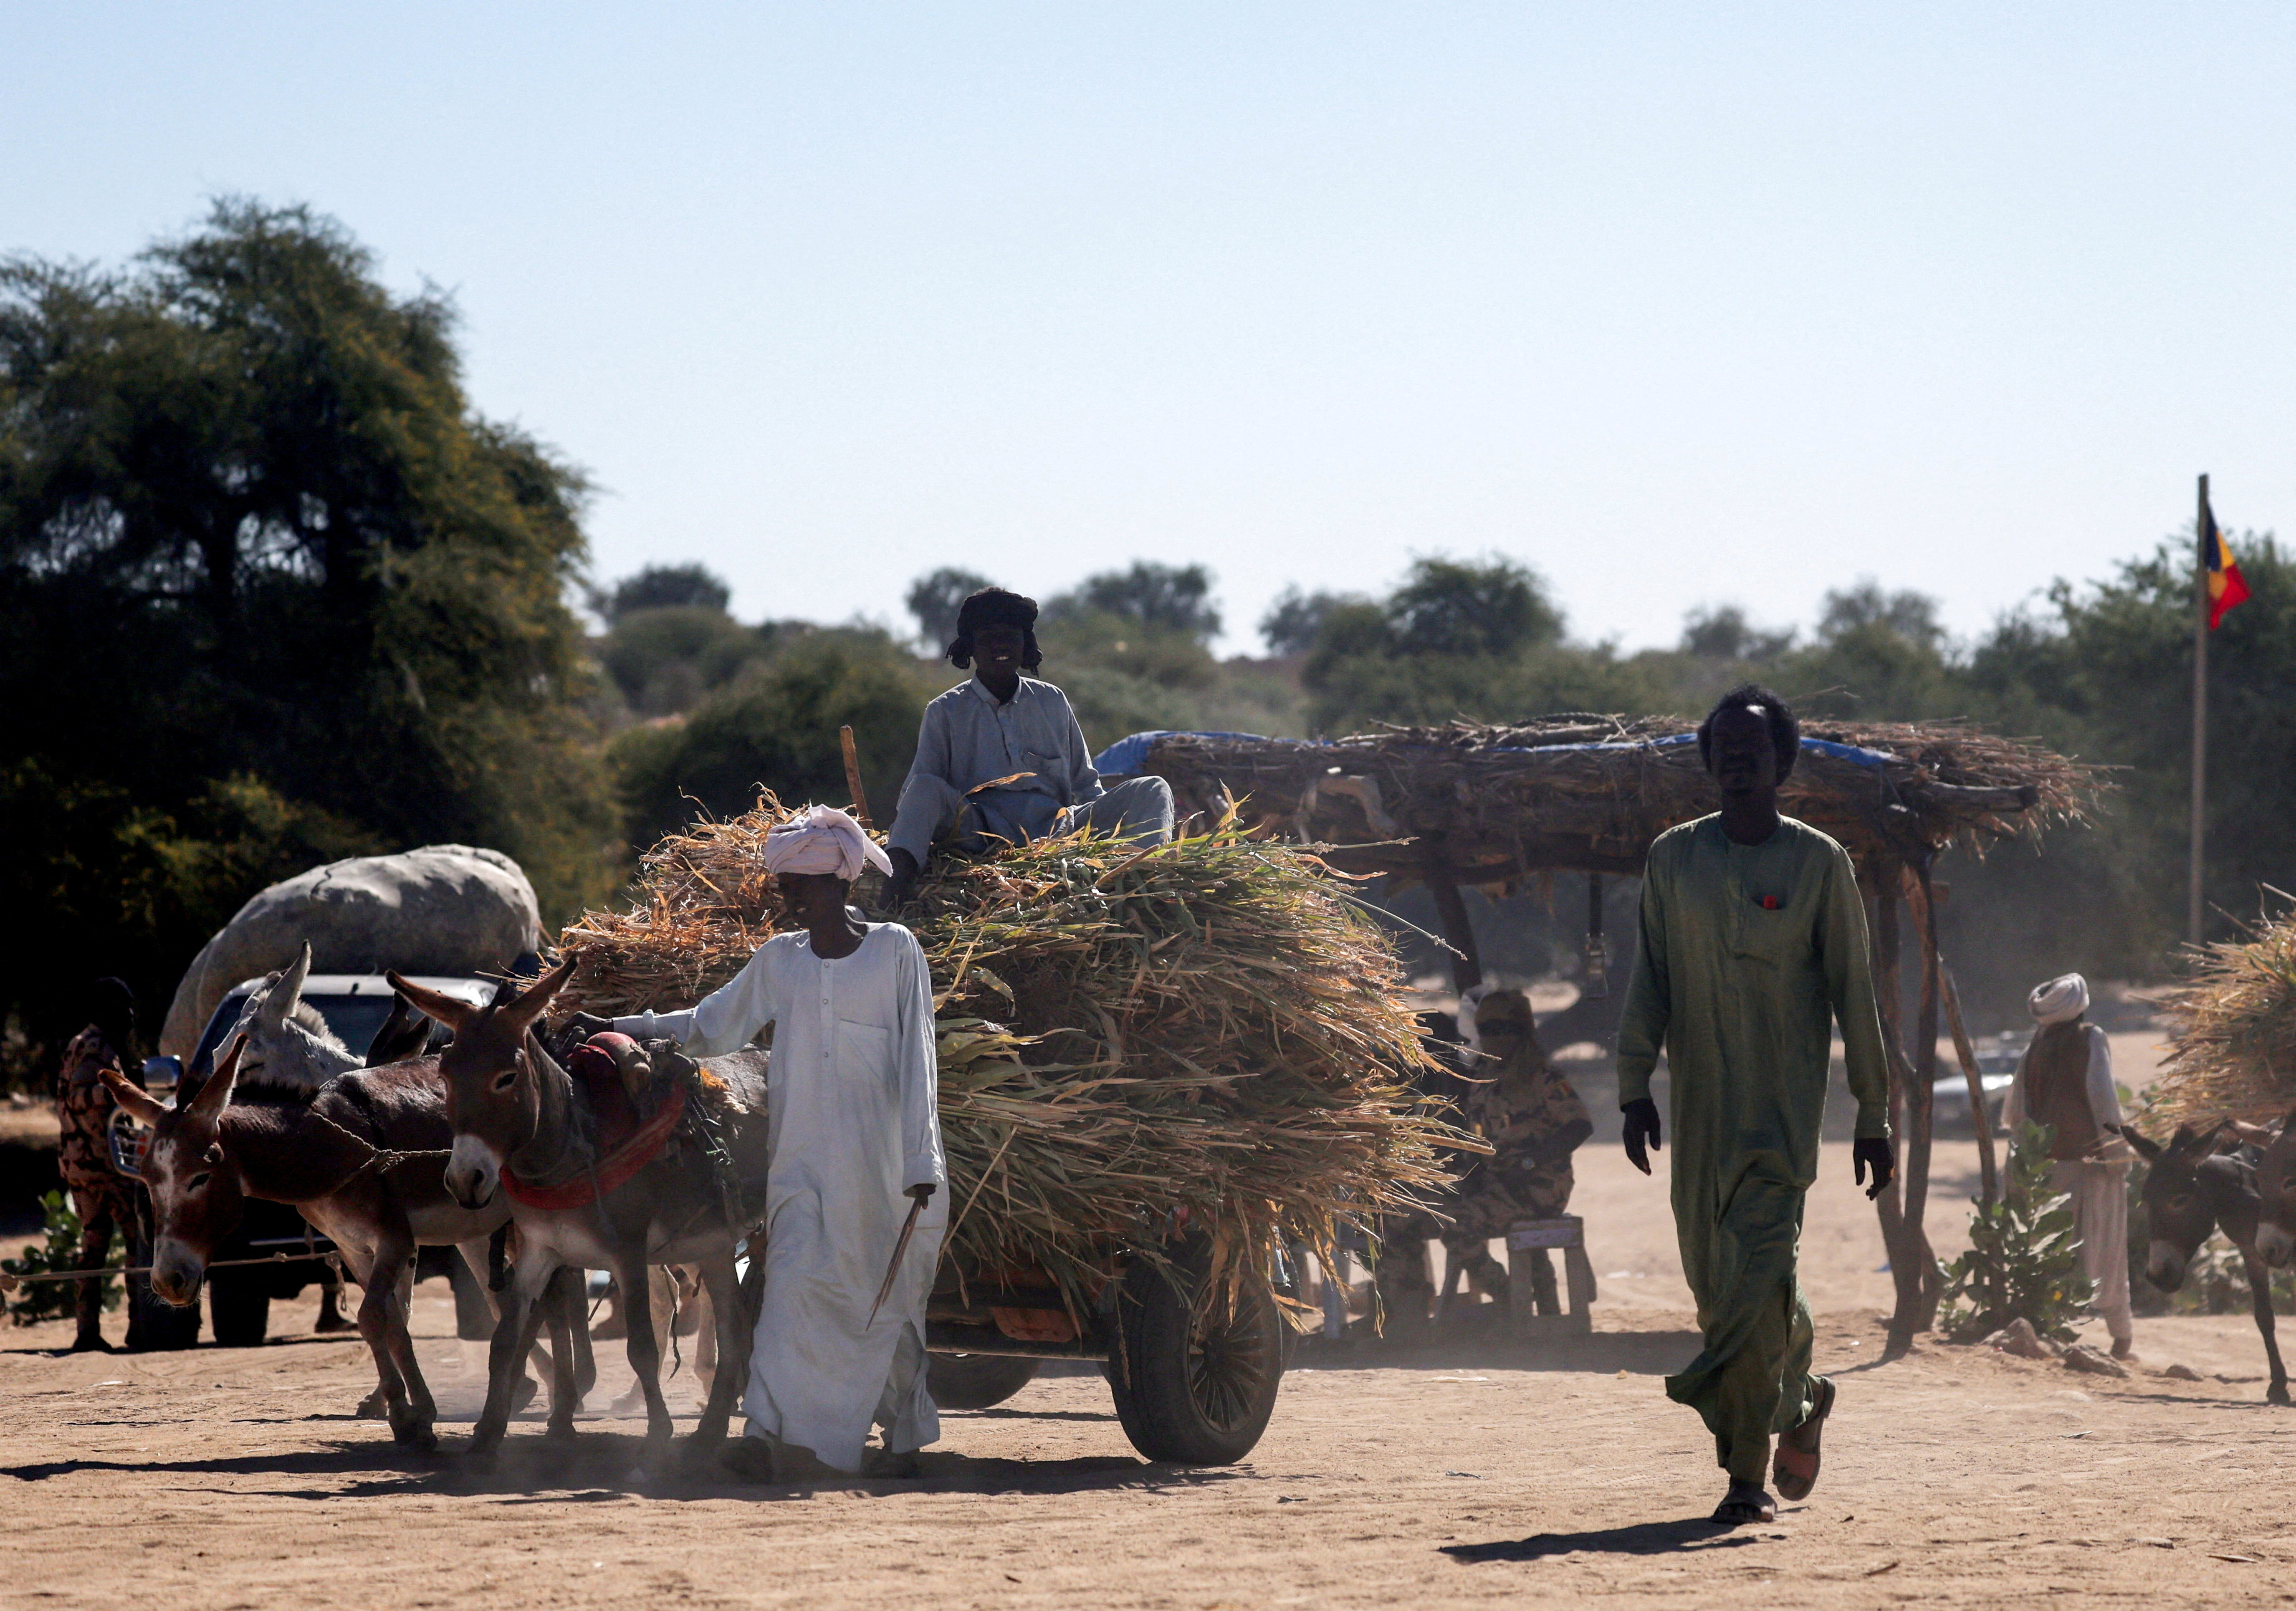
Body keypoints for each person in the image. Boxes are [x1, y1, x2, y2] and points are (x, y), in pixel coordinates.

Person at [580, 806, 947, 1479]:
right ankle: (766, 1429)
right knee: (788, 1294)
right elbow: (712, 1024)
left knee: (885, 1310)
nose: (789, 900)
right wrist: (619, 1025)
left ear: (839, 884)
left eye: (798, 886)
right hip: (802, 1169)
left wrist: (922, 1162)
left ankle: (904, 1433)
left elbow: (921, 1060)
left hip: (889, 1174)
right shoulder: (781, 963)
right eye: (786, 887)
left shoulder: (897, 952)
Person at [1615, 685, 1896, 1525]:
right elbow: (1648, 980)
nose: (1739, 761)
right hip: (1698, 1121)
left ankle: (1744, 1477)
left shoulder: (1817, 865)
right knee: (1726, 1294)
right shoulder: (1673, 859)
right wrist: (1632, 1087)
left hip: (1780, 1121)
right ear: (1708, 764)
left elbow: (1854, 992)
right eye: (1724, 750)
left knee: (1756, 1279)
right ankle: (1802, 1398)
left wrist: (1873, 1116)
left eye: (1755, 750)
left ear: (1781, 764)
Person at [880, 586, 1173, 908]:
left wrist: (1102, 835)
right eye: (988, 638)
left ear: (1026, 644)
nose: (1000, 647)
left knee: (1153, 789)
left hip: (1058, 828)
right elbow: (919, 794)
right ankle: (893, 896)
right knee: (923, 788)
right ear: (972, 647)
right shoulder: (946, 711)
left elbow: (1087, 784)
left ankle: (1149, 885)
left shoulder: (1052, 700)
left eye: (1010, 636)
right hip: (981, 832)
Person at [2003, 972, 2134, 1359]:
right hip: (2091, 1167)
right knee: (2107, 1250)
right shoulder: (2091, 1038)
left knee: (2053, 1251)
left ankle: (2054, 1330)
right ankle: (2121, 1336)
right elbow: (2103, 1098)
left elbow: (2017, 1110)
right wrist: (2118, 1157)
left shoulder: (2036, 1044)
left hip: (2043, 1169)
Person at [1440, 987, 1593, 1312]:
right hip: (1499, 1187)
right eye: (1486, 1031)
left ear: (1521, 1031)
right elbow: (1478, 1137)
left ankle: (1511, 1300)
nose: (1495, 1038)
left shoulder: (1542, 1076)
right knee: (1439, 1213)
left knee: (1459, 1228)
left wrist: (1529, 1162)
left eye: (1503, 1030)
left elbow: (1579, 1126)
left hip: (1539, 1188)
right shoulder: (1483, 1080)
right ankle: (1530, 1302)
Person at [53, 978, 141, 1353]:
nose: (131, 1016)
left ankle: (88, 1329)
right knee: (137, 1241)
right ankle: (140, 1326)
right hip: (101, 1165)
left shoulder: (85, 1044)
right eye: (124, 1008)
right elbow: (81, 1096)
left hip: (83, 1163)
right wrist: (124, 1090)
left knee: (95, 1243)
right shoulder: (95, 1048)